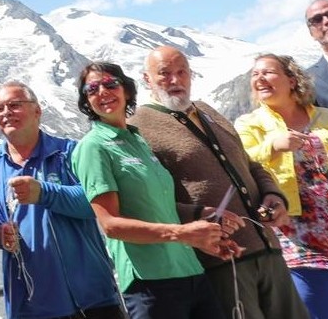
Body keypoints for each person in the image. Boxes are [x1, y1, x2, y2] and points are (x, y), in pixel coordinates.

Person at [129, 45, 306, 319]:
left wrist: (273, 195)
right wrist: (198, 216)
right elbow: (149, 200)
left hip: (268, 249)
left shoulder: (207, 110)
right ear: (146, 78)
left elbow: (248, 163)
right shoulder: (138, 127)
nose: (175, 81)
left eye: (182, 72)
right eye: (164, 74)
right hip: (221, 262)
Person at [70, 61, 225, 319]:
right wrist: (183, 233)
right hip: (150, 280)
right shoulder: (93, 147)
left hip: (188, 268)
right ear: (87, 100)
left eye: (110, 84)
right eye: (92, 89)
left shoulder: (137, 139)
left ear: (127, 90)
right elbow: (111, 225)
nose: (102, 92)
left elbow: (155, 204)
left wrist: (201, 215)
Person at [0, 81, 124, 319]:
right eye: (0, 109)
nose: (6, 113)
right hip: (32, 307)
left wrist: (44, 193)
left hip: (93, 297)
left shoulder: (71, 152)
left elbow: (96, 204)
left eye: (14, 105)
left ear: (37, 111)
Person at [235, 53, 328, 319]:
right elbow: (240, 164)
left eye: (268, 72)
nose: (259, 78)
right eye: (255, 74)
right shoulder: (249, 125)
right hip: (298, 237)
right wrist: (271, 146)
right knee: (326, 312)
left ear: (292, 80)